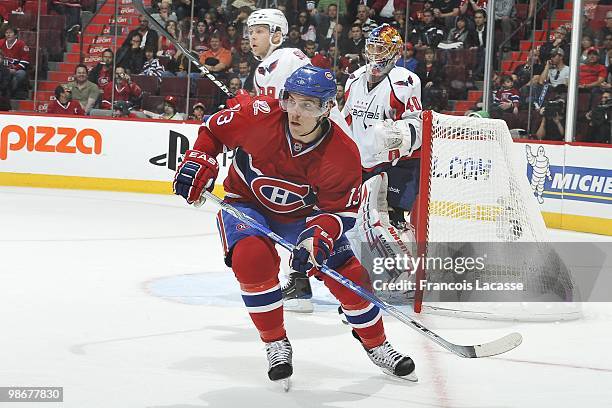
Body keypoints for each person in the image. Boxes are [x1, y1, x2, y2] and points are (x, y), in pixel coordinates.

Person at [172, 65, 417, 387]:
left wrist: (315, 241)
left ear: (327, 108)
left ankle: (376, 343)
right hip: (246, 202)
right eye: (291, 101)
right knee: (250, 260)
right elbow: (214, 131)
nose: (296, 113)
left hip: (303, 216)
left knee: (350, 276)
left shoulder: (342, 154)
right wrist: (199, 159)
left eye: (308, 105)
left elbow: (338, 212)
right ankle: (275, 342)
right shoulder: (257, 115)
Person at [343, 24, 422, 244]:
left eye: (382, 49)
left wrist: (401, 136)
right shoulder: (354, 78)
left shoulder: (405, 81)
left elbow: (416, 124)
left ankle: (404, 258)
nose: (375, 54)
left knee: (391, 221)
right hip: (360, 160)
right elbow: (346, 118)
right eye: (373, 48)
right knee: (354, 220)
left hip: (393, 162)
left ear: (395, 52)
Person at [0, 26, 30, 99]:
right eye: (7, 33)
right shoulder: (1, 42)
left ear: (16, 35)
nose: (8, 34)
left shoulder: (21, 44)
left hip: (15, 70)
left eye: (10, 33)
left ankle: (10, 93)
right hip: (2, 69)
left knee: (21, 74)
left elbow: (25, 61)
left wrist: (16, 69)